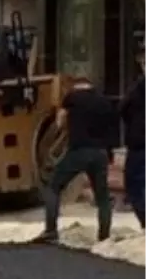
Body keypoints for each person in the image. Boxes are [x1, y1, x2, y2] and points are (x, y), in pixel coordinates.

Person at [34, 78, 118, 244]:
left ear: (76, 86)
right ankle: (104, 236)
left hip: (79, 151)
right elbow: (112, 129)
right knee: (102, 197)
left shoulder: (72, 98)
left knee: (53, 186)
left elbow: (60, 122)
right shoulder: (105, 102)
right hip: (100, 153)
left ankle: (51, 231)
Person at [122, 53, 146, 229]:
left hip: (139, 143)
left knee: (135, 183)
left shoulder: (138, 88)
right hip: (138, 141)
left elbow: (123, 108)